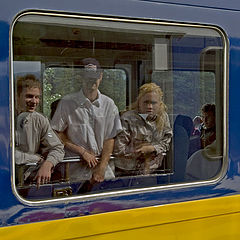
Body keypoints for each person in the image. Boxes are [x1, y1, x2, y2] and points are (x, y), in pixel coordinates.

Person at [51, 58, 122, 183]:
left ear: (101, 76)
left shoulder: (109, 104)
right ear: (80, 78)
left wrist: (102, 167)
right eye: (88, 77)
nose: (92, 81)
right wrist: (82, 152)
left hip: (104, 171)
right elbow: (57, 133)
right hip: (75, 171)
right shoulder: (67, 103)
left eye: (95, 77)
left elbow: (110, 138)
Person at [15, 74, 64, 187]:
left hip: (27, 180)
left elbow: (58, 148)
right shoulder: (5, 118)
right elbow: (7, 154)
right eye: (29, 96)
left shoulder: (40, 120)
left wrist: (48, 164)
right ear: (17, 97)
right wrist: (34, 158)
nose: (34, 101)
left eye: (37, 97)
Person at [114, 83, 173, 176]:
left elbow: (166, 142)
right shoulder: (127, 118)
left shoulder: (163, 117)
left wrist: (152, 148)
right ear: (139, 103)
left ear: (160, 104)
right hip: (126, 171)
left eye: (153, 103)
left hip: (153, 170)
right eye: (146, 102)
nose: (150, 106)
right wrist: (139, 151)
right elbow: (118, 149)